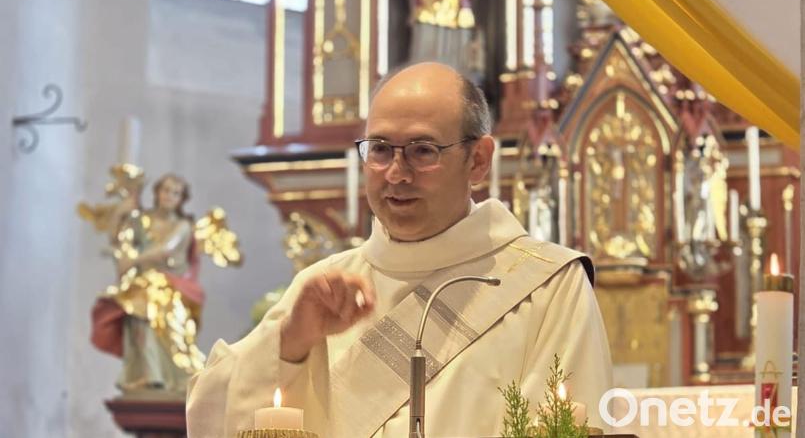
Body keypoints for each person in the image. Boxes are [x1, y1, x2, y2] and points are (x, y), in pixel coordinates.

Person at [186, 62, 612, 437]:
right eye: (381, 149)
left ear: (478, 160)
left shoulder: (548, 286)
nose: (396, 173)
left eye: (423, 151)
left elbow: (574, 426)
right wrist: (290, 345)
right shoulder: (325, 287)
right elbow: (209, 416)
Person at [92, 174, 206, 393]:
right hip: (144, 287)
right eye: (165, 190)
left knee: (152, 305)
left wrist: (133, 260)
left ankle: (176, 375)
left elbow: (165, 250)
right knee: (137, 313)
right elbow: (119, 238)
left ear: (182, 199)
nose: (169, 196)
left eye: (175, 193)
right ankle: (147, 373)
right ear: (156, 192)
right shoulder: (142, 220)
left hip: (171, 287)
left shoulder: (183, 225)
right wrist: (120, 213)